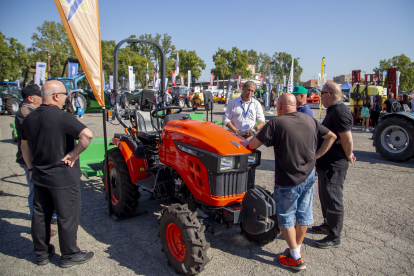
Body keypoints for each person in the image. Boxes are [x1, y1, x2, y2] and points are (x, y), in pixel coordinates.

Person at [248, 94, 336, 270]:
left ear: (280, 105)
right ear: (295, 105)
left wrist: (253, 135)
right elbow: (331, 136)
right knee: (304, 214)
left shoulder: (275, 123)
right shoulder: (310, 120)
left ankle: (295, 258)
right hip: (309, 175)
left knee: (286, 216)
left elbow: (252, 146)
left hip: (288, 179)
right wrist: (316, 156)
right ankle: (295, 249)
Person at [20, 80, 94, 267]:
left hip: (39, 175)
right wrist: (74, 154)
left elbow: (24, 146)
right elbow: (87, 135)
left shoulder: (29, 118)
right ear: (55, 96)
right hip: (62, 177)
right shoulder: (63, 117)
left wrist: (30, 168)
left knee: (40, 215)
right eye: (64, 95)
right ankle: (69, 255)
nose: (65, 98)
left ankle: (42, 254)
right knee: (67, 216)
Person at [312, 82, 356, 249]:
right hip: (326, 164)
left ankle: (334, 236)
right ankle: (327, 224)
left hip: (334, 165)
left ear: (328, 94)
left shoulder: (340, 111)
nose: (320, 97)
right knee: (325, 197)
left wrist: (348, 155)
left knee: (333, 198)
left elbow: (347, 139)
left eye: (321, 93)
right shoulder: (334, 110)